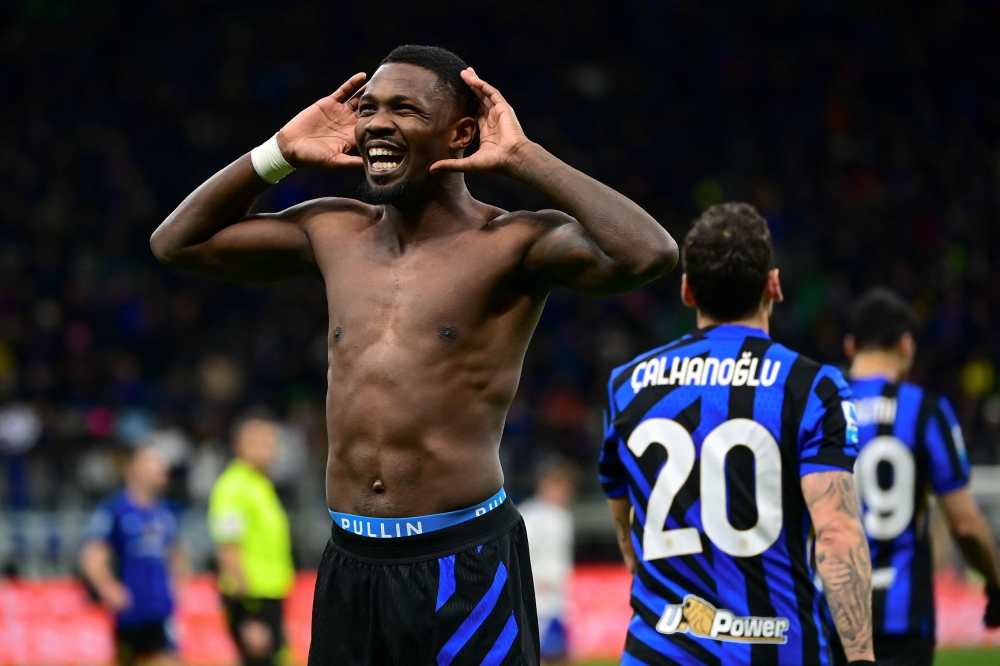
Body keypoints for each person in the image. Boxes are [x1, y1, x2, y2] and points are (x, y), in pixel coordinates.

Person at [151, 44, 677, 665]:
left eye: (404, 109)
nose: (376, 122)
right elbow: (176, 243)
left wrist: (524, 158)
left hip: (465, 563)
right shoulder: (332, 229)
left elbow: (649, 253)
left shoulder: (509, 243)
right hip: (351, 560)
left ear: (459, 134)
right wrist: (277, 154)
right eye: (368, 108)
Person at [599, 203, 875, 665]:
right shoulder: (812, 387)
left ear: (687, 291)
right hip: (780, 648)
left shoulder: (626, 385)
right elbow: (837, 532)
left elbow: (626, 526)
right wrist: (862, 658)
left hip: (660, 649)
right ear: (774, 284)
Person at [827, 288, 1000, 666]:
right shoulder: (926, 411)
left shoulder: (817, 410)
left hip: (831, 617)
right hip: (903, 625)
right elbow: (966, 525)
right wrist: (994, 581)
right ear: (906, 345)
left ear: (850, 345)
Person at [80, 446, 184, 666]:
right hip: (129, 609)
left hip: (161, 608)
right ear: (134, 471)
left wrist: (176, 586)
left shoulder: (166, 512)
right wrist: (108, 588)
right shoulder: (114, 509)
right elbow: (93, 554)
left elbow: (176, 553)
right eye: (152, 466)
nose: (160, 472)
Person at [208, 417, 294, 666]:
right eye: (257, 441)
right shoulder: (233, 487)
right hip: (251, 597)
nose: (267, 447)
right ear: (238, 445)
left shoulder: (261, 485)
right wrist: (250, 614)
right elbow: (228, 550)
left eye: (270, 441)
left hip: (271, 594)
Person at [518, 460, 579, 665]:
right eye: (561, 486)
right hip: (539, 600)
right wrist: (533, 581)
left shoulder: (561, 515)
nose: (565, 493)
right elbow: (519, 553)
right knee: (540, 654)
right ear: (546, 485)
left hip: (557, 598)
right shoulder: (531, 515)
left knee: (562, 655)